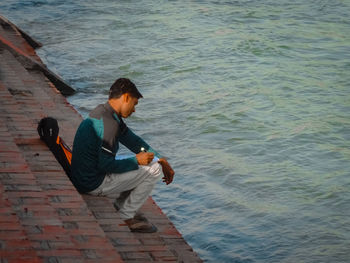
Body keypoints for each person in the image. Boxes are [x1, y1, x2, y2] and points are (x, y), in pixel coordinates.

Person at [70, 78, 175, 233]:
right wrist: (137, 160)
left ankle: (122, 205)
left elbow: (134, 142)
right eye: (134, 104)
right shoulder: (110, 125)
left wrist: (161, 158)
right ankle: (126, 216)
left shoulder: (105, 112)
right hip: (91, 183)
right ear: (126, 97)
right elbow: (105, 165)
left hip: (84, 176)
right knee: (155, 170)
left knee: (151, 163)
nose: (134, 110)